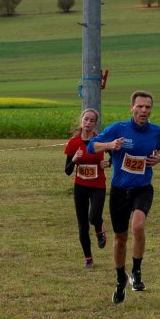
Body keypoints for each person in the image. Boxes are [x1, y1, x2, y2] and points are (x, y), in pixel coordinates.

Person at [88, 90, 160, 303]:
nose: (144, 110)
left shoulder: (155, 130)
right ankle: (120, 278)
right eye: (139, 106)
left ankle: (136, 271)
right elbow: (92, 146)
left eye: (147, 107)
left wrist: (159, 158)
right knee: (120, 238)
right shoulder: (118, 129)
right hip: (120, 191)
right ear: (132, 108)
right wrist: (110, 145)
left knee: (138, 226)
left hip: (143, 188)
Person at [63, 107, 109, 269]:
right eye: (86, 119)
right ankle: (88, 259)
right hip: (80, 187)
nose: (88, 123)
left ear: (95, 124)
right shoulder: (73, 143)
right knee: (82, 224)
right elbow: (67, 171)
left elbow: (115, 156)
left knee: (94, 217)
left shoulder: (100, 141)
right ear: (81, 121)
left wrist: (108, 163)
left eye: (92, 120)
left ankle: (99, 229)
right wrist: (74, 159)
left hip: (98, 186)